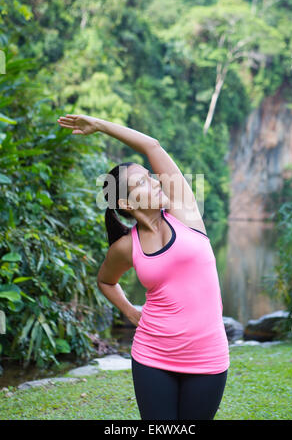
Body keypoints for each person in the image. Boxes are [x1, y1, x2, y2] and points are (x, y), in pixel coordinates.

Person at [57, 113, 230, 420]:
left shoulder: (184, 211)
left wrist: (100, 126)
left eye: (150, 176)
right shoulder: (126, 247)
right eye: (142, 182)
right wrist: (130, 311)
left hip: (207, 356)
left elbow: (152, 145)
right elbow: (106, 281)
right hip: (152, 356)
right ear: (126, 203)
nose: (154, 181)